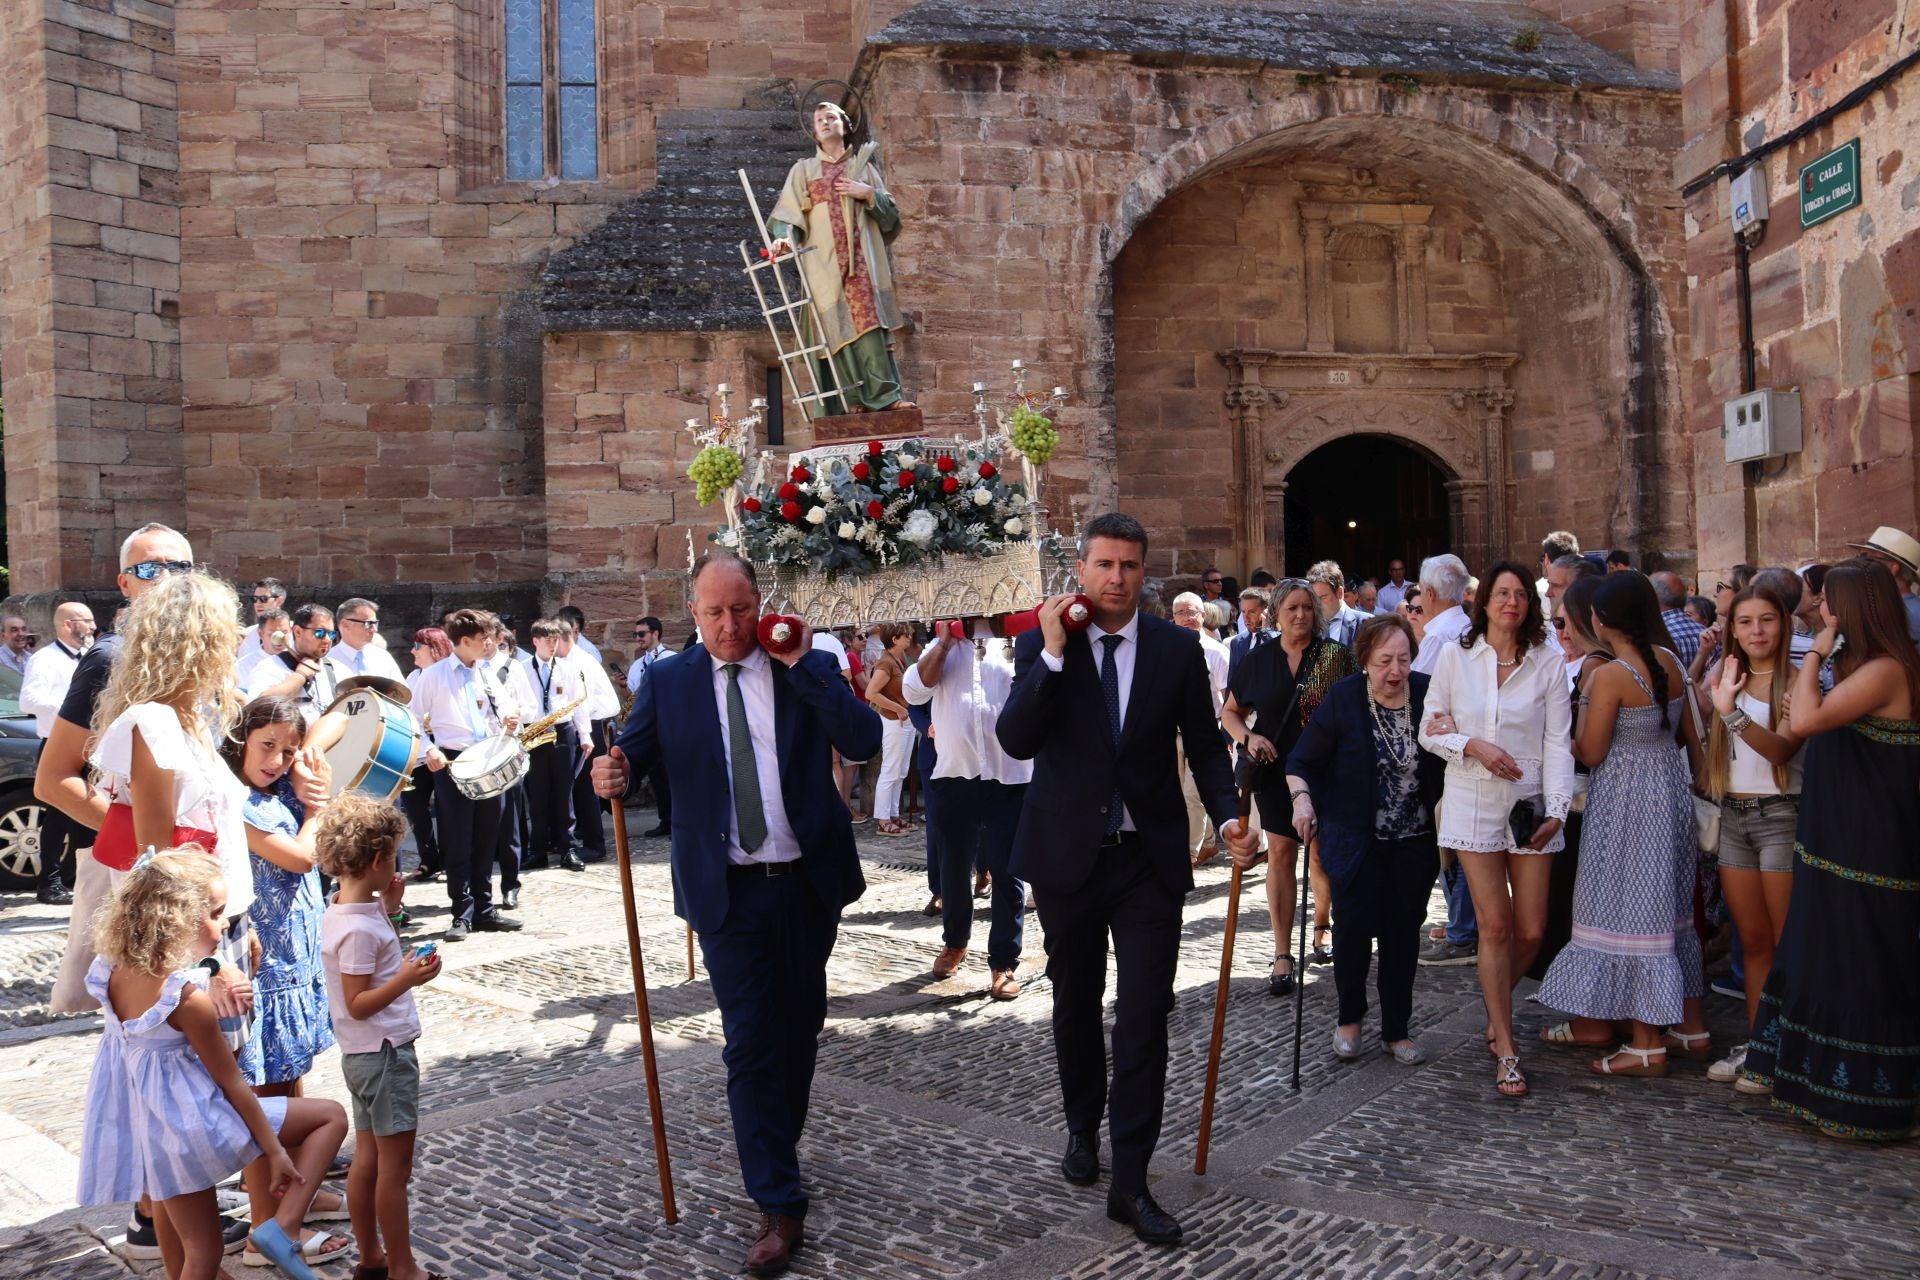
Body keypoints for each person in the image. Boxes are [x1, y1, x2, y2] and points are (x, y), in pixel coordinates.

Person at [592, 550, 879, 1275]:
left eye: (741, 609)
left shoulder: (802, 665)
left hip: (806, 883)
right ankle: (777, 1200)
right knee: (749, 1043)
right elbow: (629, 760)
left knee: (800, 1029)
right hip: (726, 891)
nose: (729, 626)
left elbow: (863, 739)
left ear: (761, 603)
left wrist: (806, 664)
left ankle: (777, 1143)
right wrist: (608, 774)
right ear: (693, 612)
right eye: (714, 612)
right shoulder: (669, 682)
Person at [996, 513, 1256, 1246]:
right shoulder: (1043, 642)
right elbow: (1016, 738)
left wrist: (1229, 816)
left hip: (1148, 859)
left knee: (1144, 1015)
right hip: (1067, 858)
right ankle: (1083, 1125)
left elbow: (1204, 744)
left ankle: (1132, 1181)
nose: (1117, 578)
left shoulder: (1175, 649)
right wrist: (1052, 654)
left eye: (1130, 566)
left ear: (1145, 573)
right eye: (1105, 565)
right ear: (1081, 570)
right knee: (1075, 1002)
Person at [79, 849, 350, 1280]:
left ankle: (279, 1228)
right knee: (330, 1117)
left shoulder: (111, 971)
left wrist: (212, 970)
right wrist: (275, 1151)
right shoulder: (188, 1001)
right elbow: (233, 1083)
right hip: (192, 1128)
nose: (226, 924)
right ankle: (283, 1226)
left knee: (191, 1251)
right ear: (176, 920)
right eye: (217, 913)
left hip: (152, 1130)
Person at [1740, 560, 1920, 1137]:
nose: (1821, 609)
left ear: (1853, 609)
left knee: (1863, 959)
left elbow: (1806, 718)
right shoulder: (1866, 667)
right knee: (1830, 953)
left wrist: (1815, 653)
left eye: (1829, 602)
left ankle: (1868, 1100)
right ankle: (1819, 1087)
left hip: (1868, 846)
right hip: (1840, 840)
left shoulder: (1887, 669)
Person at [1534, 572, 1709, 1078]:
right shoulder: (1671, 660)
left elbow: (1590, 750)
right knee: (1668, 911)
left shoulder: (1610, 675)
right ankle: (1689, 1029)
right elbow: (1685, 735)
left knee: (1631, 914)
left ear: (1603, 619)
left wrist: (1555, 734)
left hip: (1626, 804)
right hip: (1668, 793)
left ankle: (1646, 1044)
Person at [1418, 561, 1574, 1098]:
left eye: (1521, 594)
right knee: (1496, 928)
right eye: (1502, 593)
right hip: (1473, 798)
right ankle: (1506, 1047)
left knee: (1532, 930)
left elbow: (1558, 742)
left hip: (1531, 804)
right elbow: (1429, 729)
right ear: (1483, 601)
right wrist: (1472, 745)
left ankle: (1496, 1002)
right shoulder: (1456, 656)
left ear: (1531, 605)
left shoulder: (1548, 660)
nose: (1512, 602)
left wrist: (1558, 809)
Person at [219, 696, 350, 1267]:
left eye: (286, 750)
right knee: (266, 1100)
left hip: (296, 962)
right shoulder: (238, 801)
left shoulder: (280, 788)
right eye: (266, 746)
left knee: (291, 1082)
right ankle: (263, 1228)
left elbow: (342, 714)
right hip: (266, 968)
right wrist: (315, 806)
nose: (276, 760)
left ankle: (296, 1191)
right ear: (240, 742)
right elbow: (299, 857)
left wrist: (308, 757)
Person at [1277, 615, 1443, 1064]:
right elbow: (1301, 761)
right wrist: (1302, 802)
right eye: (1385, 661)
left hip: (1414, 842)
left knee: (1403, 933)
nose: (1395, 671)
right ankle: (1350, 1019)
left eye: (1403, 660)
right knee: (1352, 930)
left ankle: (1396, 1030)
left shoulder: (1429, 693)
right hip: (1355, 839)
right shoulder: (1345, 697)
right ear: (1365, 659)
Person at [317, 795, 446, 1280]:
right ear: (376, 860)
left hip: (362, 1055)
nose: (396, 863)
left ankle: (371, 1260)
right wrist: (406, 979)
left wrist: (388, 909)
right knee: (394, 1170)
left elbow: (363, 963)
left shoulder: (342, 908)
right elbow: (359, 1001)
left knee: (368, 1161)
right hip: (386, 1054)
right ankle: (403, 1269)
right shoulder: (358, 929)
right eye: (393, 855)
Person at [1691, 584, 1804, 1090]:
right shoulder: (1726, 673)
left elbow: (1780, 750)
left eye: (1767, 620)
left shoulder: (1797, 681)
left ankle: (1792, 1050)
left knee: (1785, 942)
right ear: (1731, 629)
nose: (1756, 631)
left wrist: (1729, 712)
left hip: (1782, 814)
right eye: (1745, 621)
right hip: (1733, 816)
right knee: (1752, 941)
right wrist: (1706, 677)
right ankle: (1761, 1049)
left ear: (1784, 624)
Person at [1221, 578, 1355, 992]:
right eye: (1292, 608)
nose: (1300, 615)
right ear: (1276, 613)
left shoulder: (1334, 657)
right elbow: (1230, 712)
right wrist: (1249, 738)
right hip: (1274, 770)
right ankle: (1282, 952)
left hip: (1326, 771)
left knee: (1321, 855)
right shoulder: (1258, 660)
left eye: (1307, 607)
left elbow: (1353, 711)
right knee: (1280, 854)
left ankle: (1321, 925)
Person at [904, 616, 1032, 994]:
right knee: (954, 867)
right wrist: (945, 642)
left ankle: (1004, 962)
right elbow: (914, 692)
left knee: (1008, 870)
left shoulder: (1017, 639)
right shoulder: (942, 646)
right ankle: (955, 942)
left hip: (1009, 773)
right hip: (955, 773)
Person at [767, 98, 909, 415]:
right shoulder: (804, 170)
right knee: (833, 331)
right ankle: (851, 402)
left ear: (845, 125)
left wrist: (867, 193)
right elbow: (787, 215)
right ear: (814, 132)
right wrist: (784, 238)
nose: (825, 122)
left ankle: (885, 397)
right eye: (819, 120)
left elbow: (891, 219)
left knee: (870, 326)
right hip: (824, 265)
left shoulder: (865, 169)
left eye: (831, 117)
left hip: (863, 262)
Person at [411, 610, 524, 942]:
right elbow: (412, 717)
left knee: (488, 836)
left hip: (487, 758)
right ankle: (462, 911)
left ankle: (484, 908)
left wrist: (510, 719)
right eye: (483, 638)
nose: (489, 643)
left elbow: (504, 706)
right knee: (459, 838)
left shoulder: (486, 672)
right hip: (453, 760)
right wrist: (429, 749)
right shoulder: (434, 675)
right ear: (464, 641)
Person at [1408, 554, 1476, 966]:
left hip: (1442, 753)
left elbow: (1420, 701)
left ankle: (1463, 928)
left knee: (1451, 839)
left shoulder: (1439, 638)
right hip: (1460, 748)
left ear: (1429, 593)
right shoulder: (1465, 628)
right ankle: (1462, 923)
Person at [20, 600, 95, 904]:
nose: (93, 627)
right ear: (67, 625)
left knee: (87, 814)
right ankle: (48, 883)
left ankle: (84, 882)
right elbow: (28, 700)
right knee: (58, 817)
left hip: (88, 747)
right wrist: (71, 708)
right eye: (87, 621)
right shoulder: (45, 659)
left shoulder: (89, 656)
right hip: (57, 744)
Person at [521, 619, 590, 873]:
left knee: (564, 792)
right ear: (535, 641)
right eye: (547, 640)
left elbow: (578, 703)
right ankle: (538, 850)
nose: (552, 645)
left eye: (555, 640)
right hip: (535, 732)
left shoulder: (567, 668)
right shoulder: (521, 669)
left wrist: (585, 735)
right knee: (537, 795)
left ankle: (567, 848)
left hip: (562, 731)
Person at [1172, 591, 1230, 860]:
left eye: (1191, 612)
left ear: (1203, 615)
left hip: (1205, 733)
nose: (1186, 618)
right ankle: (1206, 841)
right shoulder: (1166, 651)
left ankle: (1187, 855)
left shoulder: (1217, 652)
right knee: (1178, 794)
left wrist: (1227, 737)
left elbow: (1229, 699)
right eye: (1180, 613)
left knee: (1192, 796)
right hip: (1172, 733)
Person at [556, 619, 619, 855]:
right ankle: (588, 837)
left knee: (586, 787)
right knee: (583, 786)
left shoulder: (578, 662)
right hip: (590, 724)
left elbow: (584, 701)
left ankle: (595, 845)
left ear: (561, 639)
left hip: (593, 725)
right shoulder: (572, 660)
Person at [402, 628, 452, 883]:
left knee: (447, 808)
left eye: (417, 647)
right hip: (419, 753)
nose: (413, 652)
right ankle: (428, 857)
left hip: (445, 750)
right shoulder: (413, 676)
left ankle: (449, 861)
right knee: (414, 805)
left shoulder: (448, 673)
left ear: (433, 649)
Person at [244, 604, 346, 725]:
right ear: (298, 631)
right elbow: (260, 707)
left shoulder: (339, 670)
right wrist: (299, 676)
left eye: (331, 634)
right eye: (320, 633)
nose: (327, 640)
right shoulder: (270, 667)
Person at [864, 622, 918, 836]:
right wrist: (898, 708)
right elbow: (871, 693)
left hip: (902, 719)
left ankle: (893, 814)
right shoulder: (886, 662)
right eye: (906, 635)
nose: (909, 638)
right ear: (894, 639)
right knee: (891, 769)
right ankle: (883, 820)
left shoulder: (897, 658)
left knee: (900, 770)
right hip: (893, 720)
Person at [1845, 525, 1920, 643]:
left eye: (1868, 559)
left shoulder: (1907, 613)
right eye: (1861, 557)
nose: (1861, 564)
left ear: (1892, 569)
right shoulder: (1894, 606)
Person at [328, 598, 404, 681]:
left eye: (375, 623)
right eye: (368, 623)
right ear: (345, 624)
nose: (375, 629)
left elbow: (400, 688)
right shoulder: (327, 661)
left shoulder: (383, 657)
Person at [1307, 560, 1368, 648]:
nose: (1317, 604)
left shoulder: (1366, 624)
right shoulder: (1307, 626)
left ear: (1340, 593)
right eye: (1313, 598)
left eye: (1322, 597)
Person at [1225, 586, 1273, 686]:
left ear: (1266, 611)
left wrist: (1266, 631)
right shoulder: (1237, 642)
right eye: (1243, 612)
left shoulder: (1280, 640)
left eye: (1251, 612)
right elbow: (1232, 682)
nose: (1246, 617)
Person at [239, 578, 288, 666]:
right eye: (254, 599)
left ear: (279, 601)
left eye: (263, 599)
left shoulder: (296, 635)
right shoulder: (246, 635)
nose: (258, 603)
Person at [625, 616, 671, 694]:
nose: (637, 638)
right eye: (635, 634)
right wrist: (623, 686)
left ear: (655, 634)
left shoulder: (672, 658)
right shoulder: (635, 666)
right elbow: (631, 699)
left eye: (641, 634)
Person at [1538, 531, 1581, 604]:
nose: (1548, 593)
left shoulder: (1540, 590)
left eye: (1542, 559)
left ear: (1546, 559)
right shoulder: (1584, 584)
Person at [0, 607, 32, 697]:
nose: (21, 634)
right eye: (14, 630)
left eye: (23, 629)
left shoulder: (31, 658)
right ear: (2, 636)